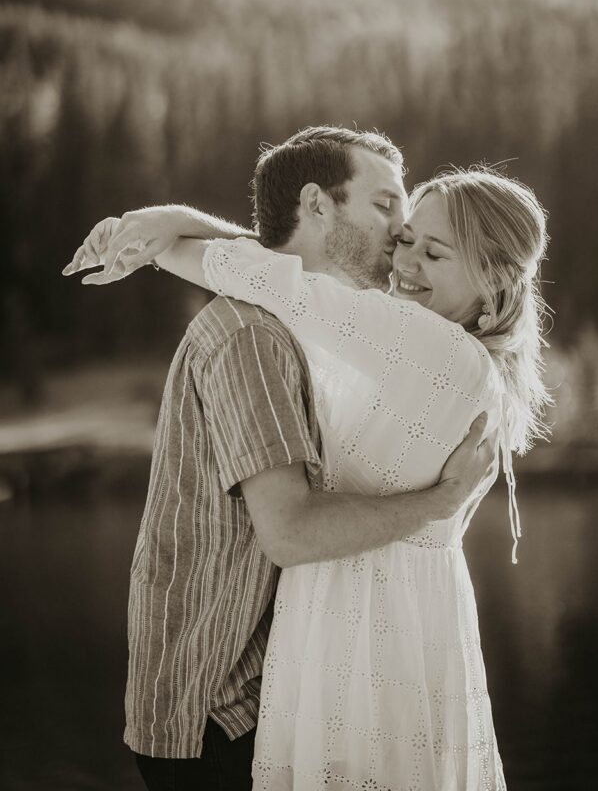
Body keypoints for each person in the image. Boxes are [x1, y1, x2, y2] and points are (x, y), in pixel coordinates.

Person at [64, 127, 497, 791]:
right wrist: (435, 505)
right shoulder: (252, 337)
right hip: (218, 709)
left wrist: (175, 228)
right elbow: (291, 530)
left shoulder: (297, 323)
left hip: (249, 696)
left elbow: (286, 279)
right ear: (319, 206)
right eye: (384, 205)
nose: (400, 228)